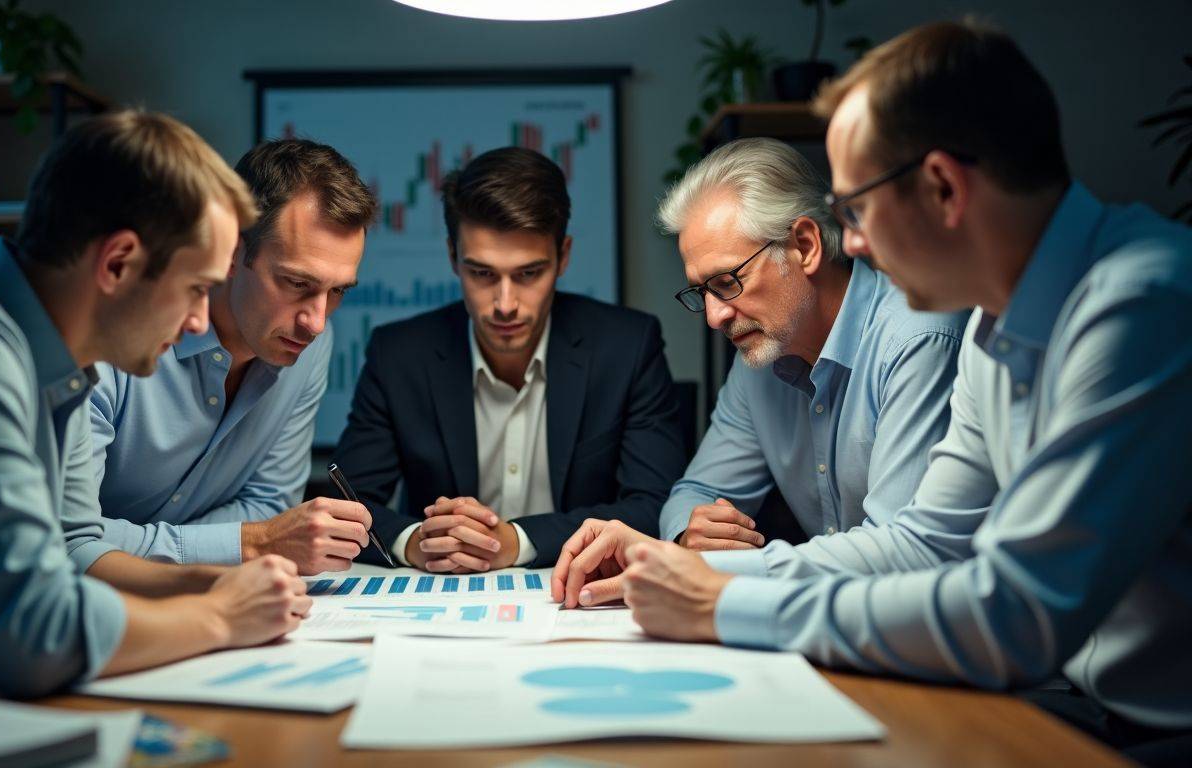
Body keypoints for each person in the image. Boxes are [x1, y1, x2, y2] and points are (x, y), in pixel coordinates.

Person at [552, 21, 1192, 764]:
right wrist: (699, 571)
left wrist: (727, 600)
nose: (851, 243)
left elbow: (1014, 610)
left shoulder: (1143, 303)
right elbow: (932, 540)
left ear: (944, 187)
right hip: (1074, 702)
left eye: (855, 208)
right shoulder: (996, 320)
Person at [0, 110, 310, 698]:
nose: (199, 320)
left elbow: (74, 553)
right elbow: (35, 636)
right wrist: (221, 617)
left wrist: (218, 583)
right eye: (196, 288)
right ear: (117, 263)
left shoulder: (60, 362)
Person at [331, 146, 686, 571]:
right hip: (440, 598)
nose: (505, 304)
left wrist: (517, 541)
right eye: (482, 273)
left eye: (528, 274)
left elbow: (655, 505)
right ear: (452, 257)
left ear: (564, 256)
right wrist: (415, 542)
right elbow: (343, 503)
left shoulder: (627, 346)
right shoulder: (399, 353)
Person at [62, 138, 379, 586]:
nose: (317, 321)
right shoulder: (108, 336)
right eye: (296, 283)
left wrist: (241, 540)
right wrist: (250, 544)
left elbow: (267, 508)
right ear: (232, 251)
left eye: (339, 291)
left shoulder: (309, 345)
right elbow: (70, 542)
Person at [657, 136, 966, 561]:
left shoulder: (917, 339)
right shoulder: (758, 360)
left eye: (727, 283)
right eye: (701, 292)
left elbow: (900, 555)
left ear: (805, 246)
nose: (714, 317)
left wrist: (738, 582)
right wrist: (688, 535)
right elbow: (695, 493)